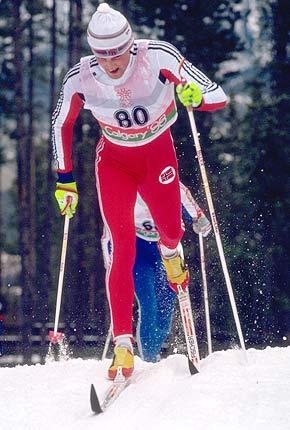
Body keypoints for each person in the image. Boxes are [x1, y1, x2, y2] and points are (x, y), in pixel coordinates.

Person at [52, 3, 227, 379]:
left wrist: (197, 97)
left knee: (171, 231)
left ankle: (171, 253)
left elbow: (216, 93)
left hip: (157, 156)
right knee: (121, 248)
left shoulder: (157, 56)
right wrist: (64, 179)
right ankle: (123, 345)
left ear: (130, 45)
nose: (111, 63)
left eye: (117, 53)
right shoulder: (81, 76)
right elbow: (60, 123)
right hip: (114, 163)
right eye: (103, 54)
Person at [101, 182, 211, 363]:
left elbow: (183, 192)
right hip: (138, 251)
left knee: (166, 304)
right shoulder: (127, 190)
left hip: (164, 249)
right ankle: (149, 358)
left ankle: (154, 351)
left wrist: (199, 217)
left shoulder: (161, 180)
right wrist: (112, 266)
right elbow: (108, 236)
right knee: (149, 304)